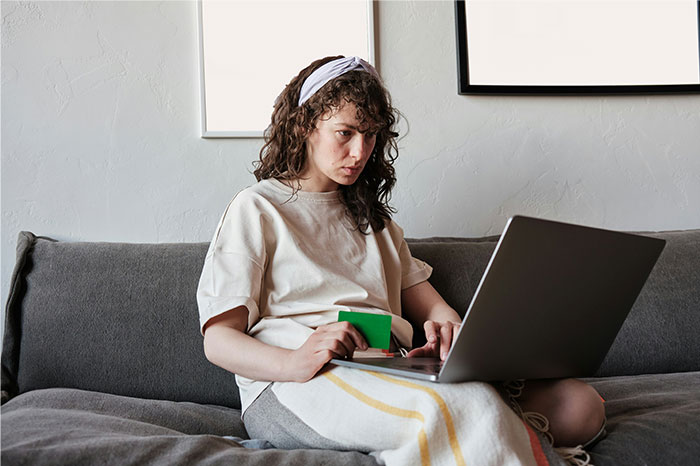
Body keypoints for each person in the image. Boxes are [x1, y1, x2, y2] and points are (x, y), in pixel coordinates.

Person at [197, 55, 606, 465]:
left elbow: (434, 308)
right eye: (346, 133)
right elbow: (218, 340)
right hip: (294, 380)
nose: (359, 152)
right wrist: (294, 362)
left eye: (371, 136)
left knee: (582, 406)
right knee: (465, 407)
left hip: (386, 365)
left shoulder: (377, 225)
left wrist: (449, 334)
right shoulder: (258, 208)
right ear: (305, 125)